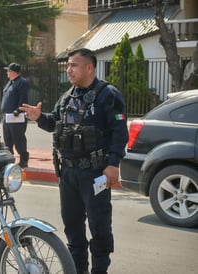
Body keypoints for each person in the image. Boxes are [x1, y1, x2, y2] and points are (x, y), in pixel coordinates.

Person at [20, 48, 128, 274]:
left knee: (99, 228)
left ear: (89, 67)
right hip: (68, 175)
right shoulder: (67, 97)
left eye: (74, 65)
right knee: (73, 228)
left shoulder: (108, 94)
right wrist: (40, 117)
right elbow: (54, 124)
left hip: (95, 173)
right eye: (68, 65)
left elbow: (119, 132)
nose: (68, 70)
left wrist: (113, 164)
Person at [0, 62, 29, 167]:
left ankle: (23, 160)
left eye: (8, 71)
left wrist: (19, 109)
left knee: (18, 138)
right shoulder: (10, 83)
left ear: (12, 72)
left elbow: (23, 98)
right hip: (7, 117)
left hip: (16, 117)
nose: (7, 73)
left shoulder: (22, 82)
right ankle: (9, 160)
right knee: (7, 139)